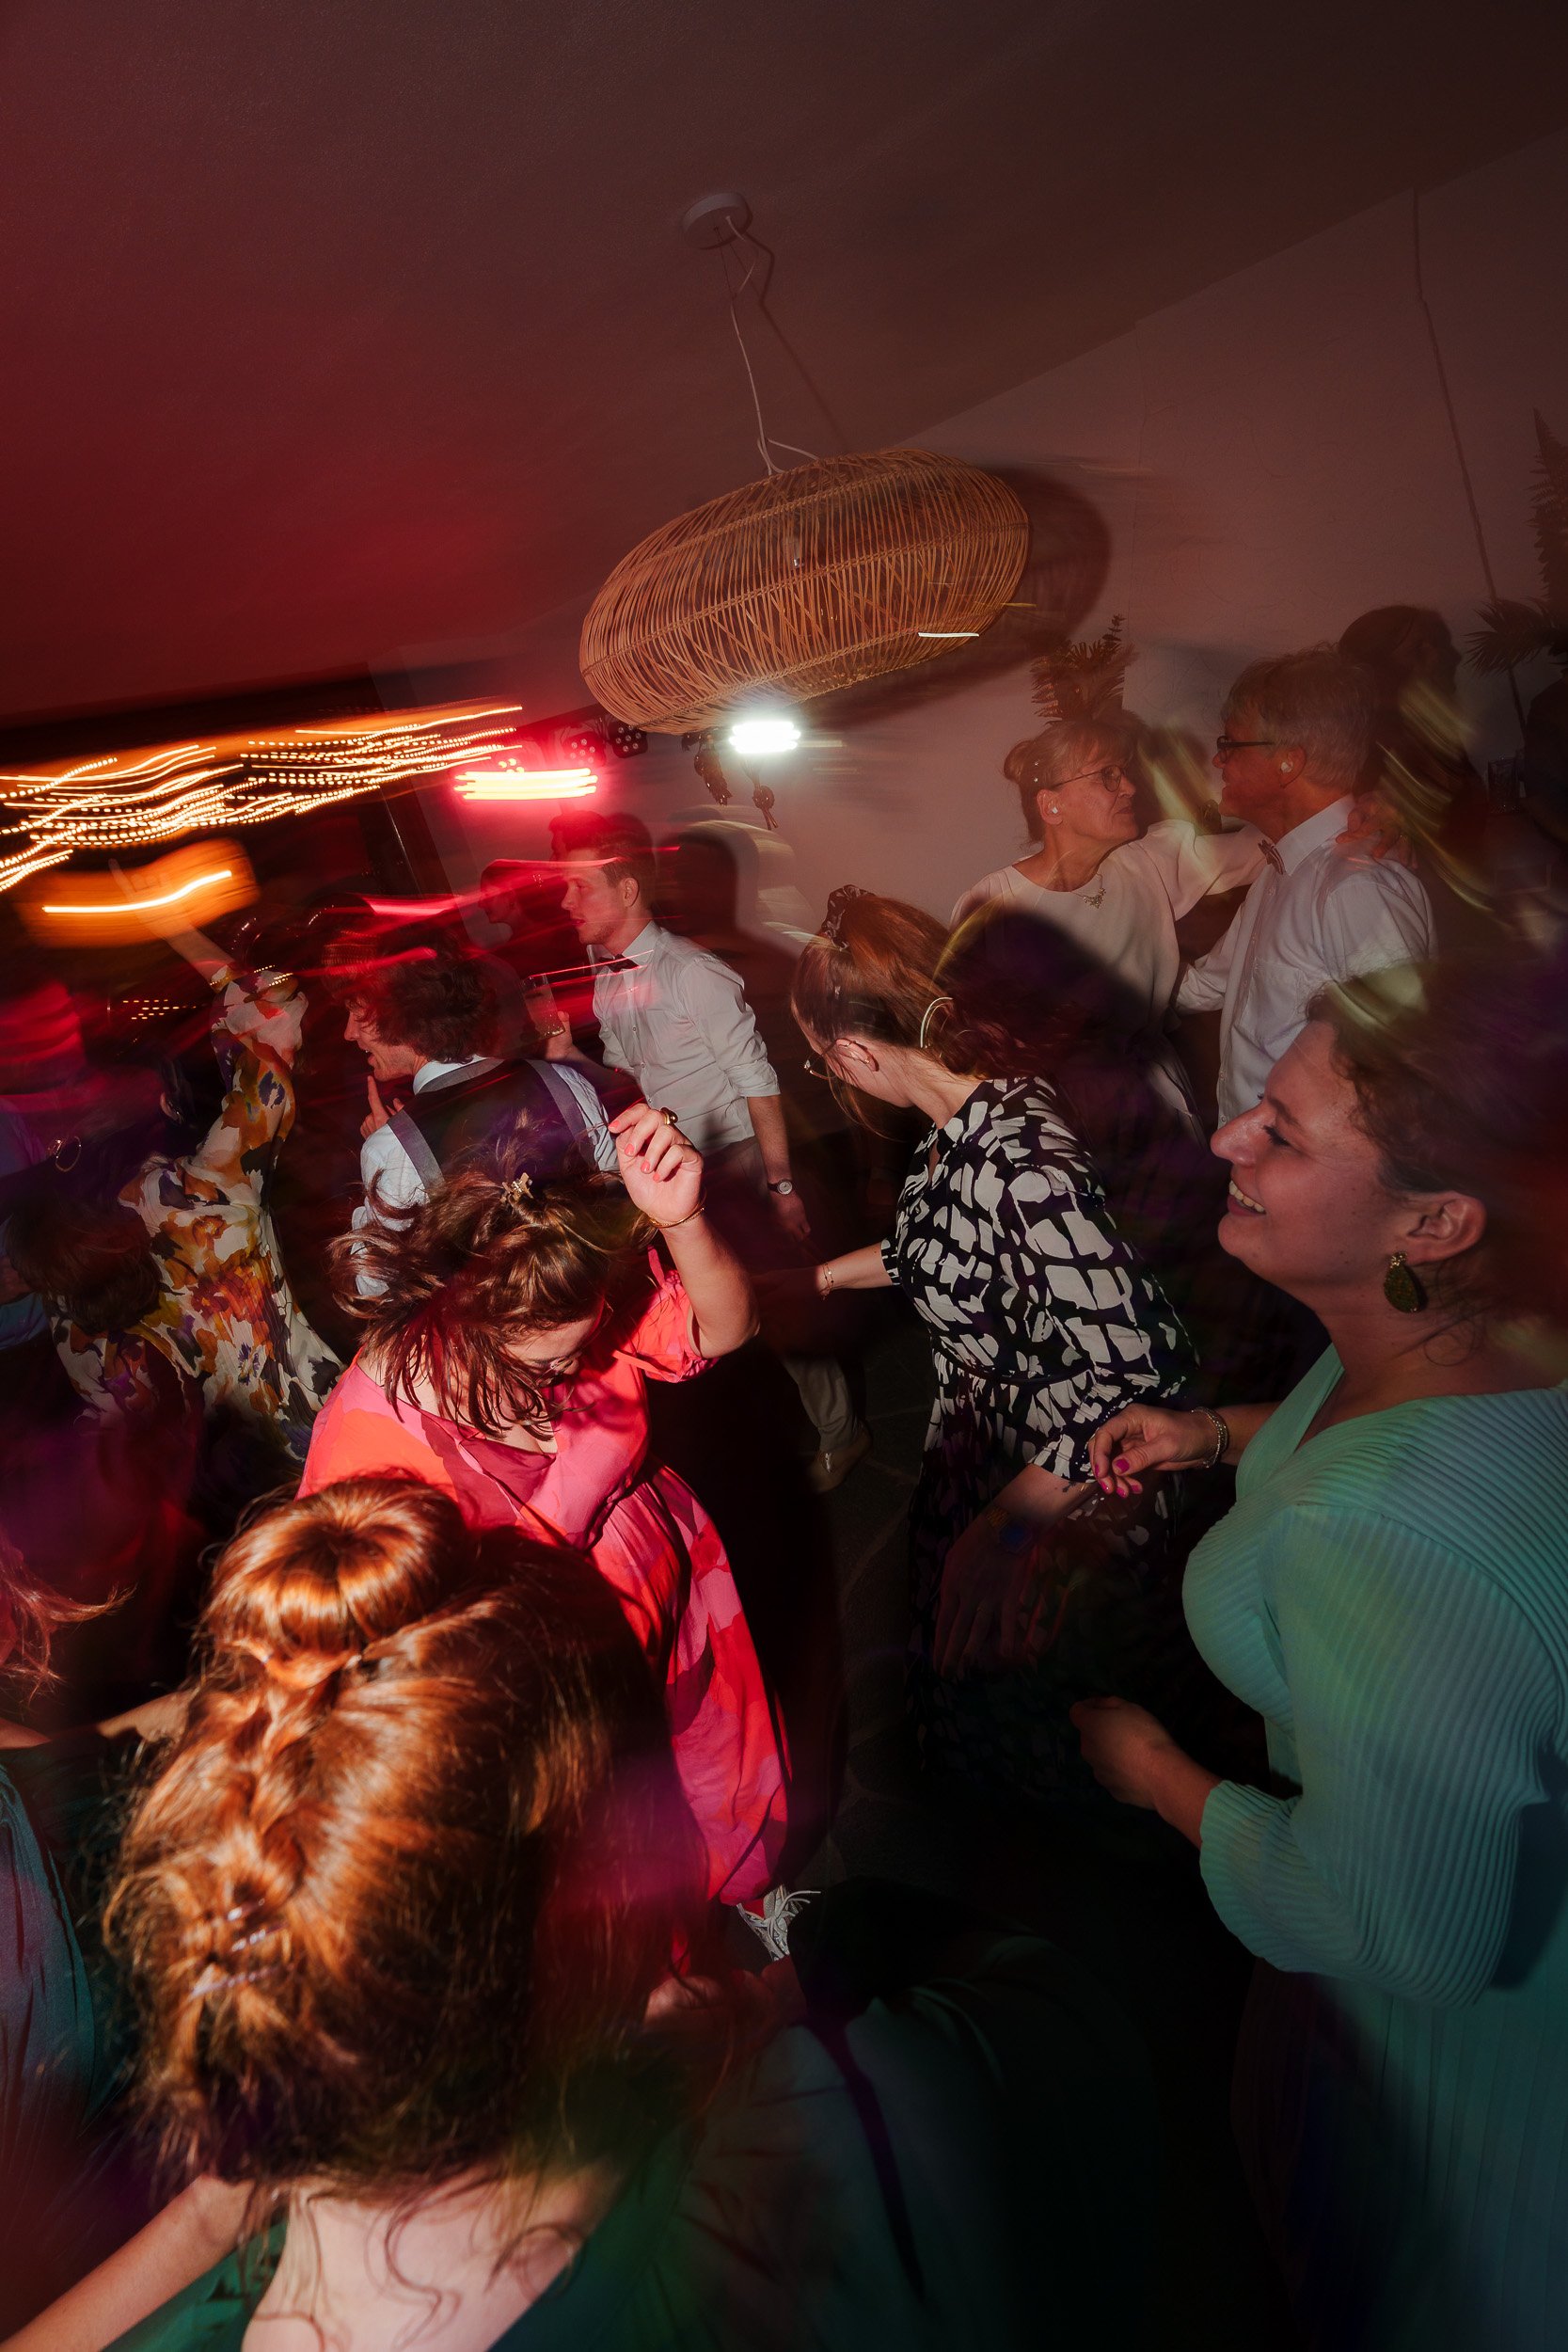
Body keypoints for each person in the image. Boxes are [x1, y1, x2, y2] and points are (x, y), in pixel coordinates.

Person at [34, 1477, 1152, 2352]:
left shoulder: (213, 2267)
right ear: (607, 1897)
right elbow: (1077, 2066)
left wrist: (214, 2206)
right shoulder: (850, 2147)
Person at [1075, 962, 1568, 2351]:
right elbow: (1378, 1426)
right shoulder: (1491, 1326)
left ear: (1434, 1218)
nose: (1228, 1138)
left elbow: (1400, 1932)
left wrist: (1154, 1774)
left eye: (1279, 1133)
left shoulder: (1380, 1540)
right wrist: (1219, 1433)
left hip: (1461, 2075)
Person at [298, 1100, 785, 1908]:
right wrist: (563, 1508)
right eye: (541, 1367)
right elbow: (412, 1674)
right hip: (560, 1683)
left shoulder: (549, 1286)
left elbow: (724, 1329)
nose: (568, 1377)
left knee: (715, 1775)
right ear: (455, 1316)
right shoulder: (366, 1443)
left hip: (676, 1593)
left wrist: (683, 1218)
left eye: (578, 1349)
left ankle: (751, 1894)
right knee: (623, 1854)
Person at [792, 887, 1201, 1809]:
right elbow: (926, 1248)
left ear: (854, 1051)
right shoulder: (954, 1130)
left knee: (1058, 1725)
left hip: (1066, 1481)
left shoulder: (1021, 1158)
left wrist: (1011, 1517)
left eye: (825, 1064)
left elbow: (1144, 1369)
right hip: (986, 1458)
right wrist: (813, 1280)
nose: (837, 1080)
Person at [550, 814, 866, 1493]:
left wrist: (781, 1188)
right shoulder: (603, 973)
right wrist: (569, 1057)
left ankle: (844, 1433)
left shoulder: (694, 973)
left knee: (776, 1311)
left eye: (578, 887)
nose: (564, 902)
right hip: (680, 1176)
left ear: (627, 888)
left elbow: (758, 1082)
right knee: (704, 1319)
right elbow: (630, 1072)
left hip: (740, 1164)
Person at [6, 929, 339, 1476]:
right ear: (165, 1107)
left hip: (234, 1503)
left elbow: (113, 1446)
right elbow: (274, 1029)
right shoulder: (200, 1197)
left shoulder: (68, 1303)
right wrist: (181, 929)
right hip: (328, 1439)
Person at [953, 717, 1264, 1132]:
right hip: (1064, 1122)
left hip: (1159, 1107)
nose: (1130, 787)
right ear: (1052, 805)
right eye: (1108, 776)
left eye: (1124, 772)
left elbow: (1266, 847)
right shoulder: (993, 907)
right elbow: (971, 1046)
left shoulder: (1146, 861)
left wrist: (1367, 816)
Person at [1176, 646, 1434, 1124]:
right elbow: (1204, 986)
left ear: (1288, 763)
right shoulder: (1280, 871)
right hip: (1258, 1159)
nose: (1218, 759)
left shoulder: (1357, 886)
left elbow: (1404, 1066)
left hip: (1315, 1178)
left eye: (1231, 743)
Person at [336, 940, 624, 1262]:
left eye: (356, 1013)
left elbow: (377, 1288)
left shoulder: (391, 1151)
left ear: (401, 1019)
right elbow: (614, 1199)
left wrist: (386, 1164)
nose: (349, 1033)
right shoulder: (566, 1083)